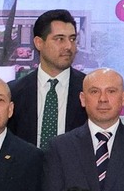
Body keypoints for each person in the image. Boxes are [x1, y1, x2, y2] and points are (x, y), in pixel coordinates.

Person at [8, 8, 87, 148]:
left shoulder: (89, 90)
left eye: (72, 39)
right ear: (39, 43)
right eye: (60, 39)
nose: (69, 46)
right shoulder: (14, 92)